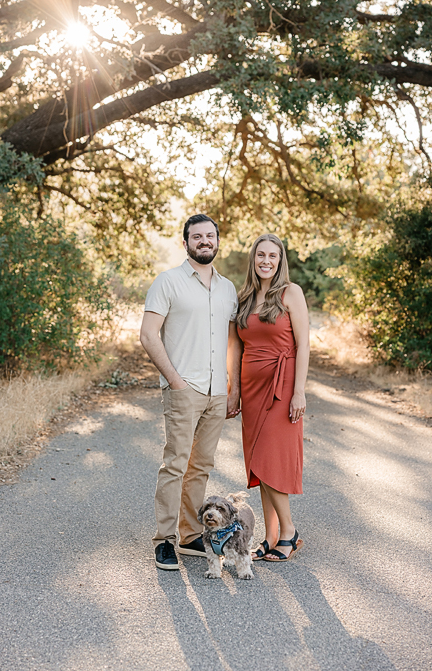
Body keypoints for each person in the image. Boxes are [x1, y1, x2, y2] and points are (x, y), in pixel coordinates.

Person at [139, 214, 241, 571]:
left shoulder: (228, 288)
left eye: (210, 236)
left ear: (217, 241)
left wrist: (234, 388)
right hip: (184, 389)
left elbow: (233, 343)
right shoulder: (167, 282)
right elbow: (149, 335)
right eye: (197, 237)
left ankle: (189, 535)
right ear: (185, 243)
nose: (204, 241)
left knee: (200, 468)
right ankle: (164, 541)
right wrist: (175, 381)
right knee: (175, 465)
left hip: (217, 393)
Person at [229, 233, 308, 562]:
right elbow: (236, 346)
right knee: (260, 465)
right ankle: (270, 536)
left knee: (272, 458)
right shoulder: (245, 296)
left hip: (283, 386)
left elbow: (304, 345)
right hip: (252, 390)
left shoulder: (291, 293)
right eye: (261, 255)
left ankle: (289, 533)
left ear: (280, 260)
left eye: (272, 256)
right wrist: (234, 389)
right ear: (253, 258)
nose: (266, 261)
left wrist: (299, 390)